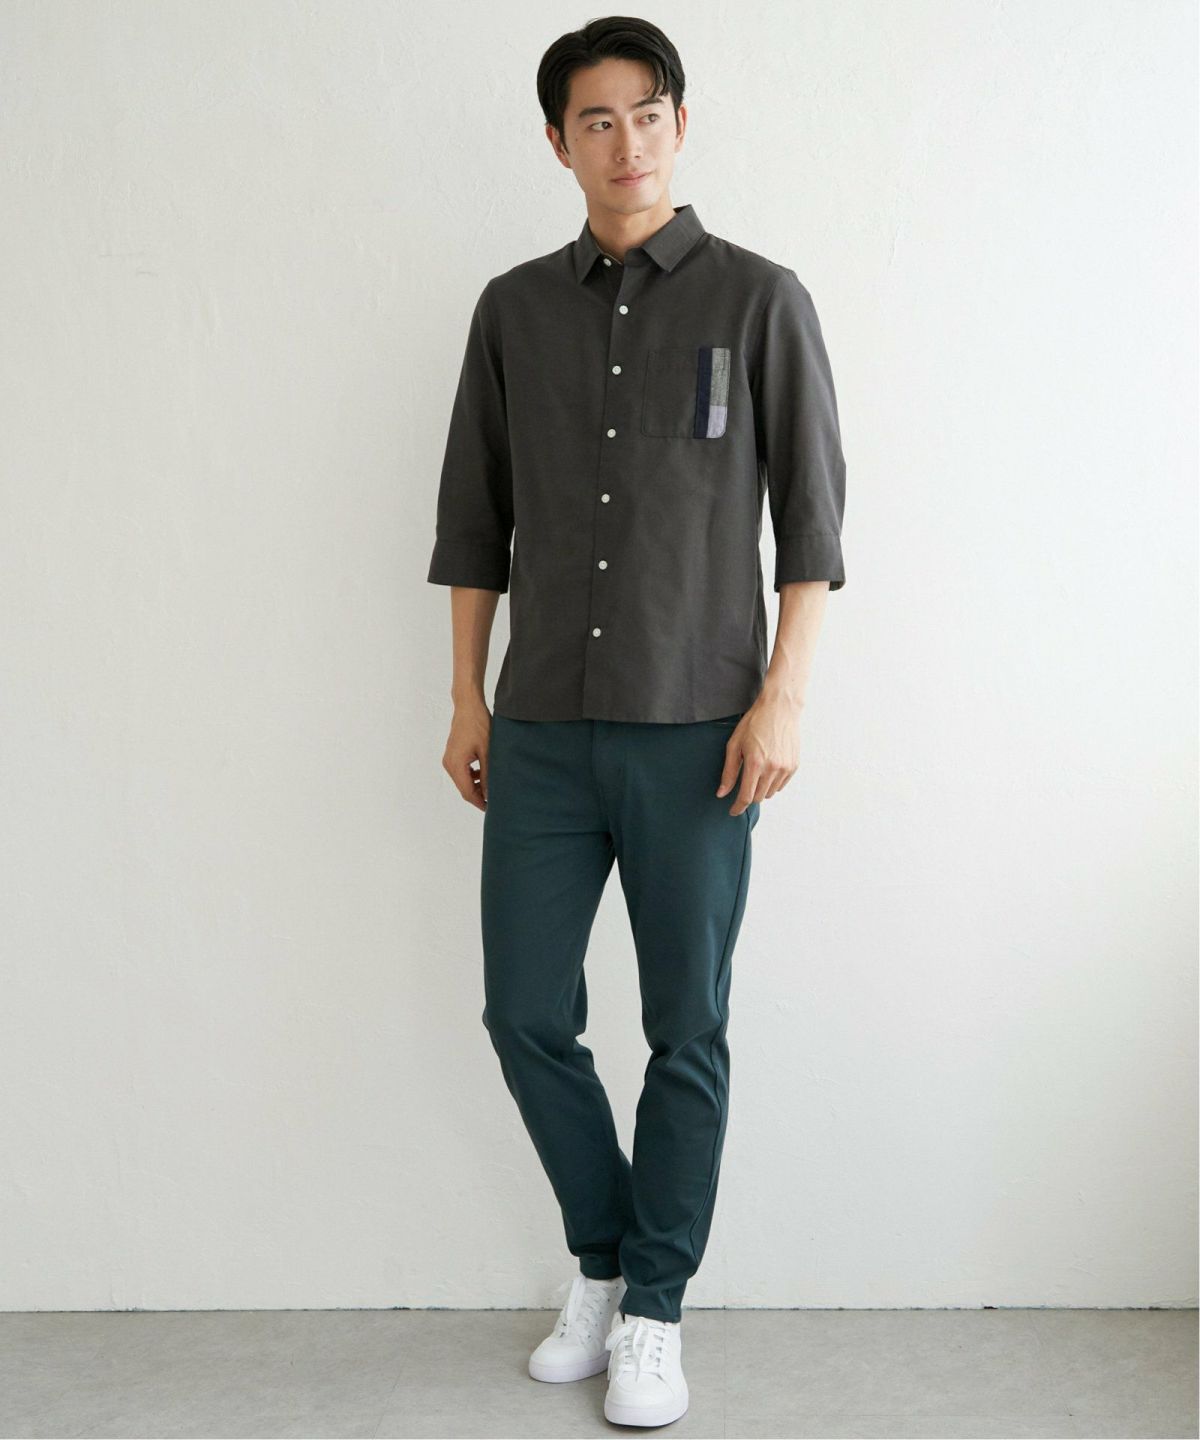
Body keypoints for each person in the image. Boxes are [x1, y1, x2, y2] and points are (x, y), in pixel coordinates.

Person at [426, 15, 847, 1429]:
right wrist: (467, 693)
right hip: (542, 723)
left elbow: (813, 529)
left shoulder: (761, 300)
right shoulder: (512, 311)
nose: (626, 142)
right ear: (559, 143)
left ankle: (654, 1310)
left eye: (647, 113)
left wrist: (783, 696)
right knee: (524, 1012)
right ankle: (605, 1265)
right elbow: (474, 519)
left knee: (687, 1026)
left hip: (700, 730)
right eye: (595, 120)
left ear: (680, 125)